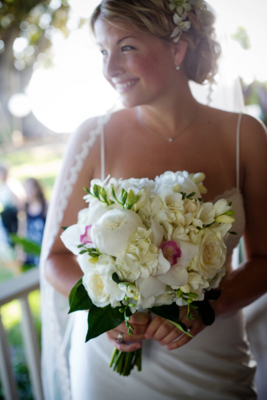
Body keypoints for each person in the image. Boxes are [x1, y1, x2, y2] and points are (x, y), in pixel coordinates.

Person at [40, 1, 267, 399]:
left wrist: (204, 310)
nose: (110, 69)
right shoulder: (94, 137)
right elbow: (55, 259)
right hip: (111, 365)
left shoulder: (244, 136)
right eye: (103, 52)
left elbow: (265, 260)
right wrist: (106, 312)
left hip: (210, 358)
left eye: (126, 48)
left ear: (177, 49)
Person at [23, 178, 47, 267]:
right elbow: (22, 230)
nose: (29, 191)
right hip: (32, 248)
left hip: (43, 245)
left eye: (31, 187)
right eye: (27, 188)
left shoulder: (45, 206)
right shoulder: (25, 208)